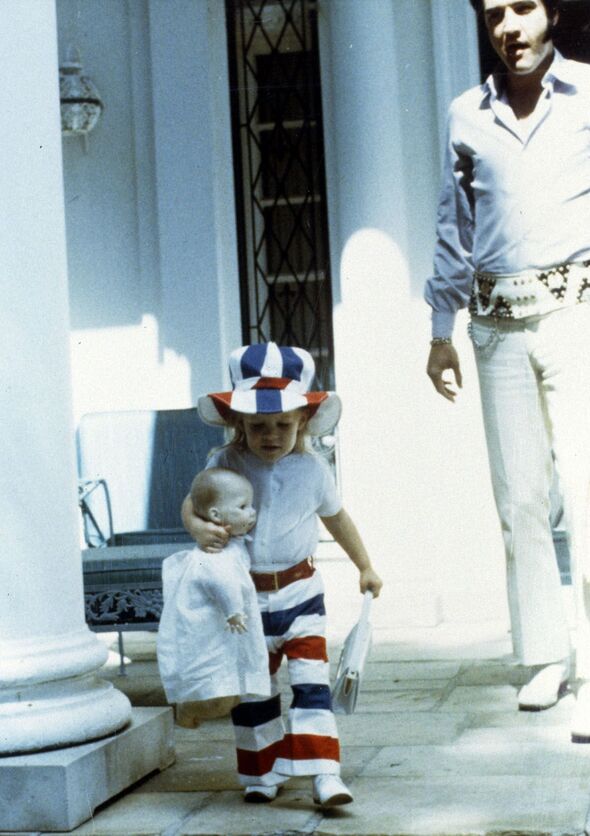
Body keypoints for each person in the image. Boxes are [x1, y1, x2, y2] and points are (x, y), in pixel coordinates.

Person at [424, 0, 590, 739]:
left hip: (576, 313)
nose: (508, 27)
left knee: (585, 487)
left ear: (552, 13)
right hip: (495, 326)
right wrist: (440, 330)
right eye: (494, 14)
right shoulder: (467, 113)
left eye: (523, 8)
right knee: (520, 497)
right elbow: (453, 225)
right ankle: (546, 656)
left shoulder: (587, 95)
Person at [181, 341, 383, 806]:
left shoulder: (312, 469)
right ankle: (262, 771)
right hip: (244, 597)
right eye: (258, 426)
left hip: (300, 592)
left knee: (312, 682)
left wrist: (365, 565)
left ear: (303, 422)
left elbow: (337, 518)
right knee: (254, 688)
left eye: (282, 425)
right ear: (239, 423)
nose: (270, 435)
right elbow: (193, 502)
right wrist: (197, 526)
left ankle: (324, 772)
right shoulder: (225, 462)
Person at [157, 467, 270, 729]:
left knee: (233, 693)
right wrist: (234, 611)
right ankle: (187, 710)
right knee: (221, 698)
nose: (252, 512)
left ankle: (192, 706)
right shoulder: (215, 553)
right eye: (243, 507)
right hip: (216, 628)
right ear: (216, 515)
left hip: (223, 632)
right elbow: (222, 582)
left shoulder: (232, 543)